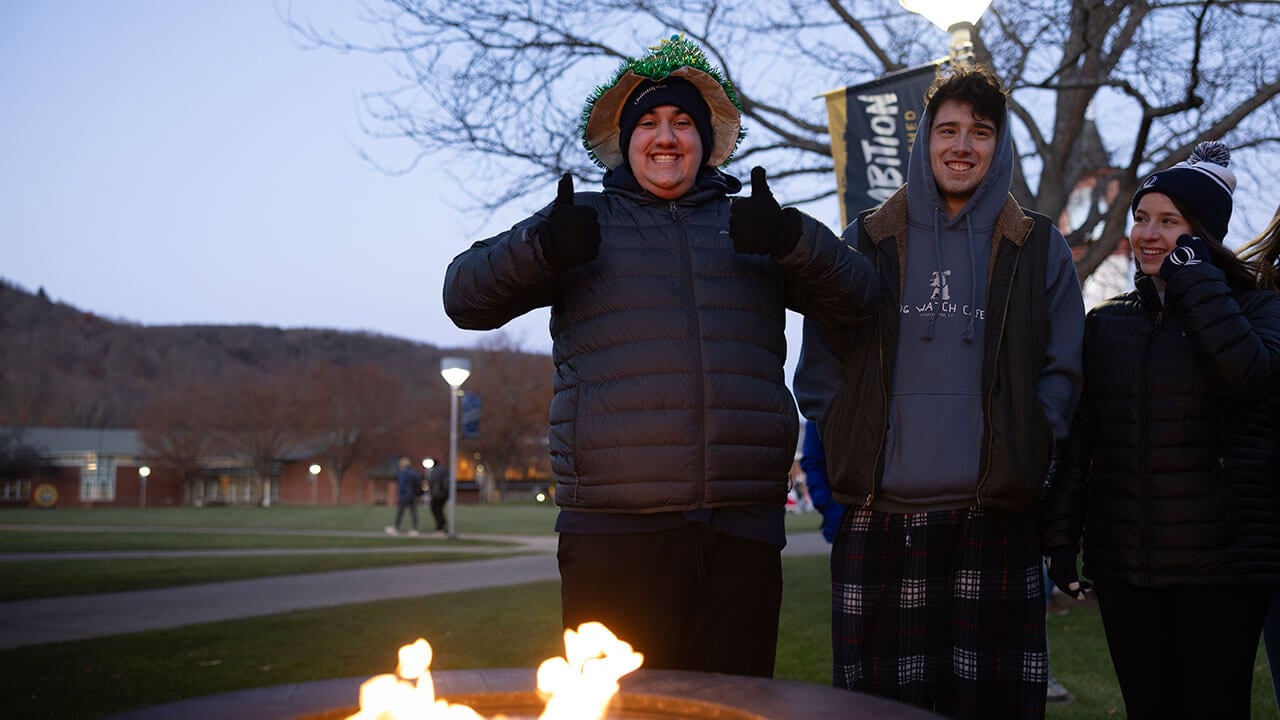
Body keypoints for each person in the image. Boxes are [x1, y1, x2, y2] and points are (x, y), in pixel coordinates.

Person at [443, 35, 882, 678]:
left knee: (733, 709)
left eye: (682, 123)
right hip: (614, 534)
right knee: (621, 708)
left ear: (706, 142)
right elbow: (464, 297)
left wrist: (791, 237)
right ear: (625, 142)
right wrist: (541, 247)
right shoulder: (580, 221)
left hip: (741, 530)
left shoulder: (753, 226)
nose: (666, 136)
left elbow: (862, 300)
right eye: (648, 122)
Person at [793, 64, 1085, 719]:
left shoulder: (1037, 246)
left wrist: (1030, 446)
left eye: (981, 132)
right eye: (947, 129)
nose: (962, 145)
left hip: (995, 519)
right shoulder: (867, 239)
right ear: (924, 140)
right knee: (878, 711)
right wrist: (846, 442)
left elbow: (1063, 370)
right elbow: (819, 370)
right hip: (880, 519)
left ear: (999, 145)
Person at [1041, 141, 1280, 720]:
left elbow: (1245, 374)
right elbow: (1083, 440)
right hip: (1128, 568)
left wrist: (1196, 279)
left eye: (1169, 222)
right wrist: (1062, 537)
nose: (1148, 234)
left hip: (1223, 572)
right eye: (1142, 218)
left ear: (1203, 235)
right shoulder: (1108, 324)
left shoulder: (1259, 310)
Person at [384, 457, 422, 537]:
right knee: (413, 513)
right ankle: (415, 529)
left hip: (405, 496)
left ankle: (396, 528)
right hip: (412, 496)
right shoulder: (414, 472)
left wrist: (402, 495)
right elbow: (418, 484)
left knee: (400, 513)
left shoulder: (404, 473)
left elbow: (402, 486)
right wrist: (417, 494)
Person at [425, 457, 449, 536]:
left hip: (437, 494)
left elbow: (432, 482)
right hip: (444, 494)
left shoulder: (435, 471)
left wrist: (432, 493)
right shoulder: (444, 470)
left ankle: (440, 527)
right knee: (439, 510)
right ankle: (443, 524)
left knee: (435, 509)